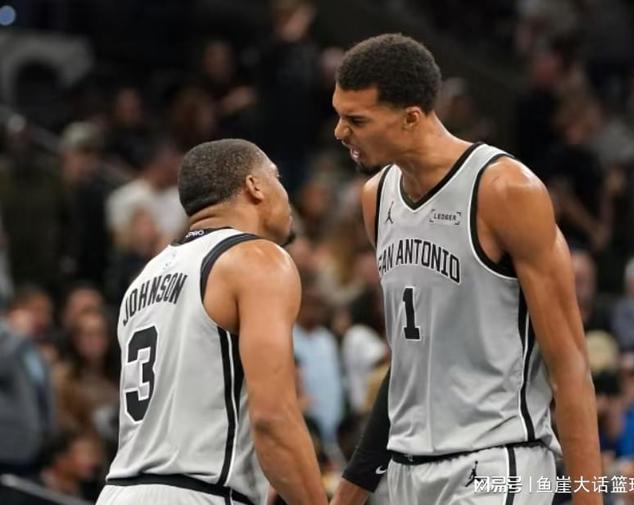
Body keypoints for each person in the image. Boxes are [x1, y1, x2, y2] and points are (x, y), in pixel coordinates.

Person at [329, 34, 602, 505]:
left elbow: (570, 365)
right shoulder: (376, 197)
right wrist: (351, 491)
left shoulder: (505, 190)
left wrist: (589, 498)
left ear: (411, 118)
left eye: (356, 120)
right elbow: (409, 366)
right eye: (339, 115)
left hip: (494, 462)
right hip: (407, 469)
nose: (339, 132)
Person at [96, 139, 327, 505]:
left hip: (118, 492)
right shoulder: (257, 258)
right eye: (277, 178)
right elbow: (274, 418)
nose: (286, 194)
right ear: (254, 186)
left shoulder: (144, 278)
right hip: (199, 491)